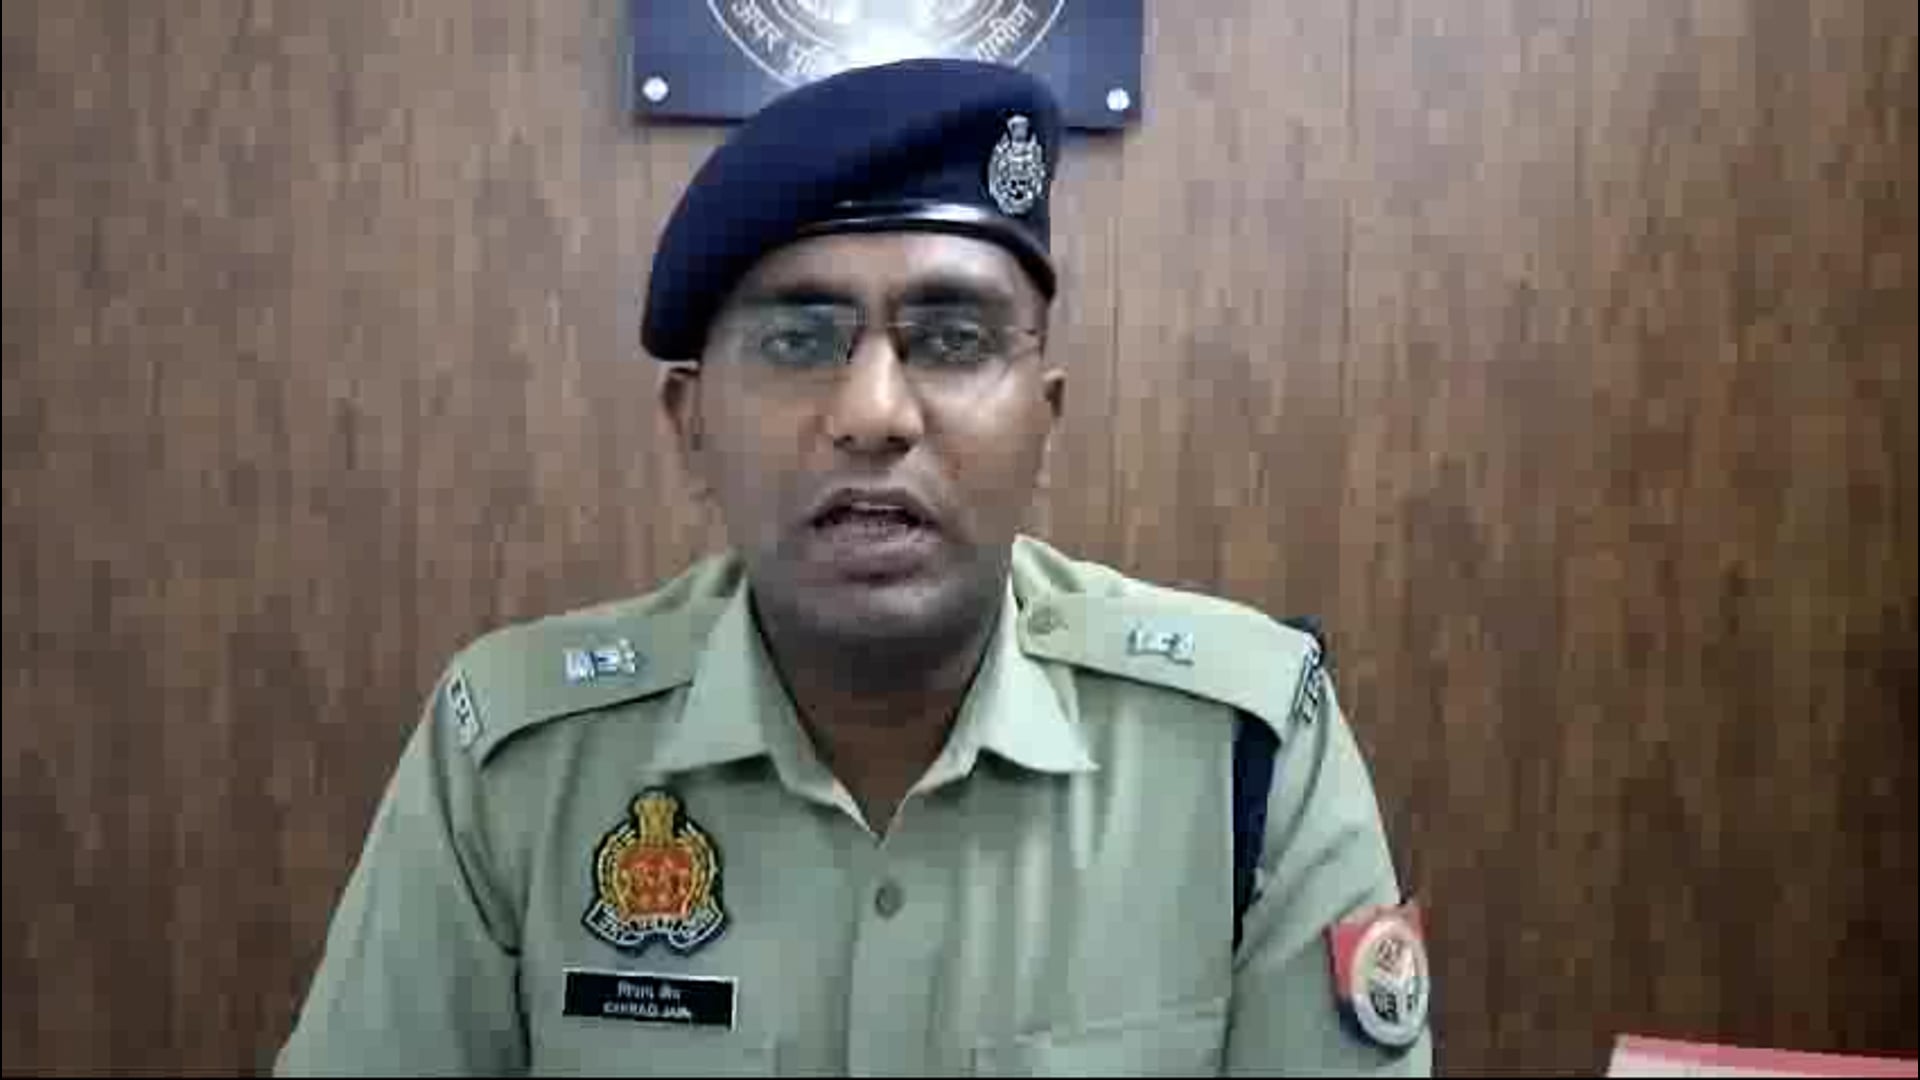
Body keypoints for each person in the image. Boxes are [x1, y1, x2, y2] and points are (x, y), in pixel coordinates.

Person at [276, 57, 1433, 1077]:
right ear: (691, 426)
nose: (875, 413)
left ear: (1044, 422)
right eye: (799, 340)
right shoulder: (517, 759)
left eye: (954, 339)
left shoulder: (1243, 751)